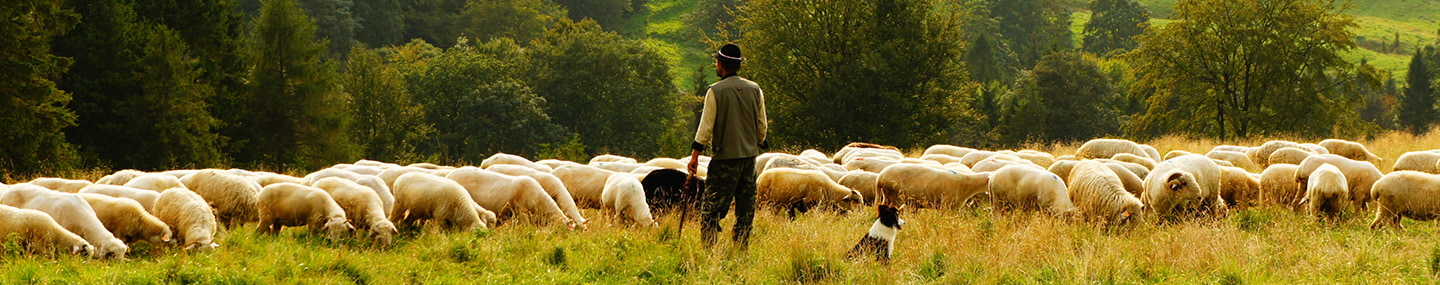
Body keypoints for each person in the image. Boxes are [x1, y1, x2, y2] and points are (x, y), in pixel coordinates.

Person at [688, 43, 767, 249]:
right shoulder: (755, 90)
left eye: (716, 61)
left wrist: (695, 155)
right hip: (749, 160)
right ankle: (741, 249)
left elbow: (705, 128)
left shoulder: (715, 91)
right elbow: (762, 126)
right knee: (745, 209)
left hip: (724, 161)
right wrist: (755, 143)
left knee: (712, 209)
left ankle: (710, 251)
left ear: (721, 65)